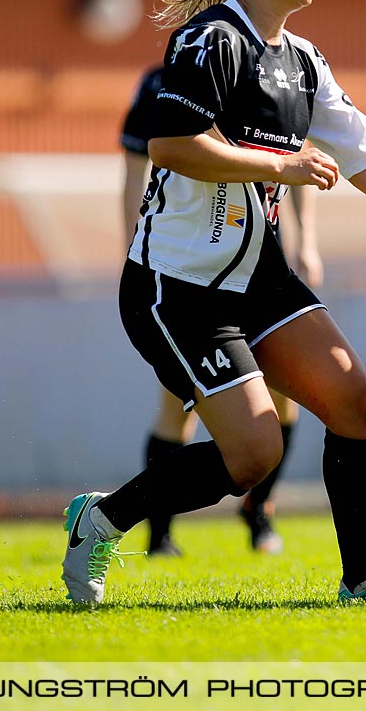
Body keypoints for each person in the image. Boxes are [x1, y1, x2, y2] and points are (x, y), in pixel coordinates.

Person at [63, 0, 366, 605]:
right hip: (176, 285)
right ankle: (103, 519)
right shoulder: (210, 41)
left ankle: (363, 580)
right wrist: (281, 166)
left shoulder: (304, 60)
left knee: (357, 406)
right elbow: (172, 147)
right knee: (253, 456)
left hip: (260, 279)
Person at [120, 65, 317, 556]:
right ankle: (158, 532)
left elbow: (300, 164)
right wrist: (136, 249)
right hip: (190, 269)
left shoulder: (276, 70)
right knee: (179, 405)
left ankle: (259, 512)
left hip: (262, 269)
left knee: (283, 401)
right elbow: (134, 171)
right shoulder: (162, 83)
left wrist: (307, 243)